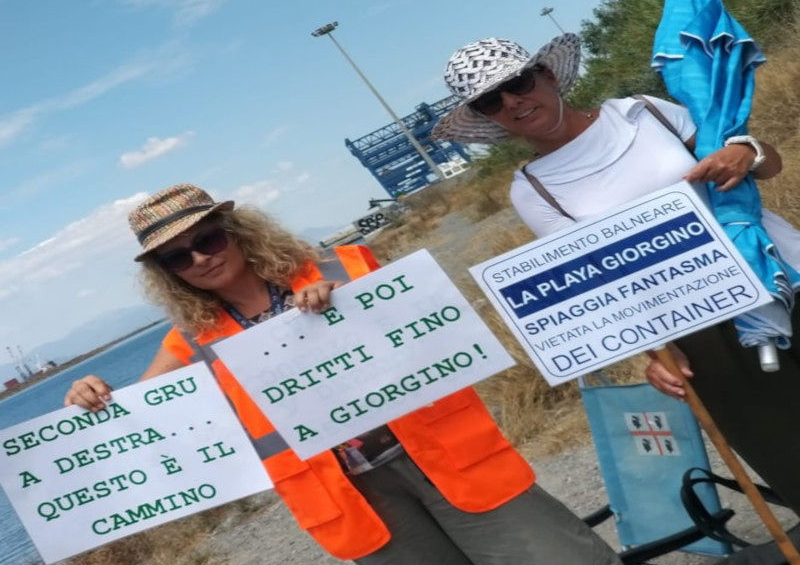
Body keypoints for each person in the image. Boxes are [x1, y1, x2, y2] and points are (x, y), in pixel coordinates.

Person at [64, 183, 622, 565]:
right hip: (356, 497)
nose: (200, 259)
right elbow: (143, 417)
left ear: (234, 230)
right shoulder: (187, 341)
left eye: (207, 239)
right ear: (166, 274)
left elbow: (434, 328)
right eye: (177, 257)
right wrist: (89, 395)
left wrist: (355, 305)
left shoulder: (347, 267)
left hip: (445, 455)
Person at [433, 34, 800, 517]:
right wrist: (656, 353)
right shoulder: (534, 190)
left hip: (783, 275)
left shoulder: (644, 112)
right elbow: (602, 287)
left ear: (545, 75)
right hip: (703, 334)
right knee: (788, 453)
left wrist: (745, 152)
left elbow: (766, 164)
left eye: (517, 82)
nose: (511, 102)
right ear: (486, 117)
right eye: (489, 101)